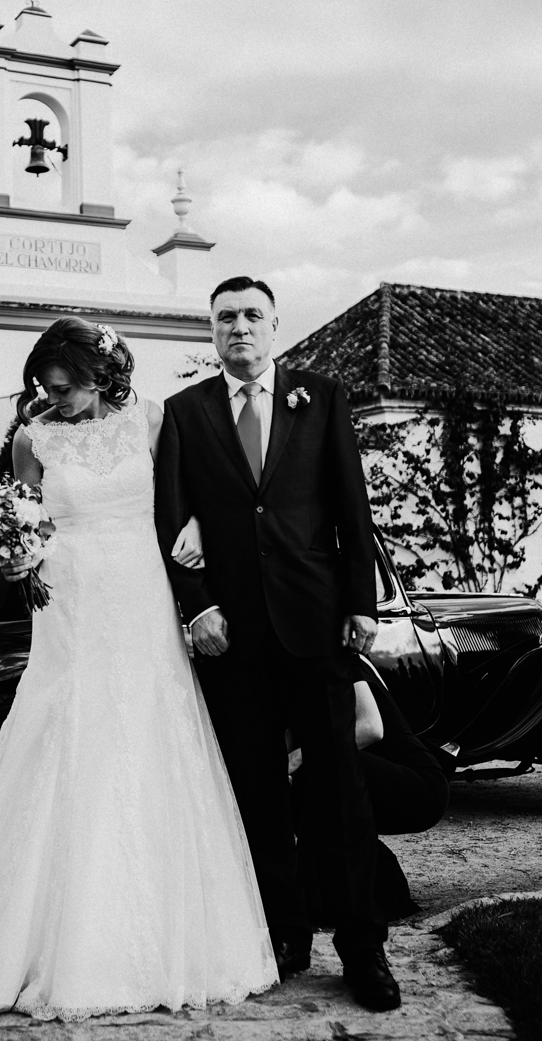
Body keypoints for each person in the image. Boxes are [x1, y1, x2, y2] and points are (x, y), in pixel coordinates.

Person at [0, 318, 278, 1018]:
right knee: (67, 731)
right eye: (45, 388)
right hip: (69, 602)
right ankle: (44, 929)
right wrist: (18, 559)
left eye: (67, 386)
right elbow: (28, 518)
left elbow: (185, 500)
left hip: (140, 593)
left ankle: (157, 932)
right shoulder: (32, 437)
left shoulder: (152, 418)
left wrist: (199, 546)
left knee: (146, 732)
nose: (57, 399)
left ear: (100, 373)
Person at [156, 275, 401, 1012]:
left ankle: (364, 948)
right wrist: (196, 607)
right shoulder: (183, 413)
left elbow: (350, 505)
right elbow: (171, 521)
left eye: (251, 316)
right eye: (225, 317)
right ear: (212, 331)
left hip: (315, 624)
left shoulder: (321, 397)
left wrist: (362, 600)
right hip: (233, 636)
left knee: (340, 793)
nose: (238, 327)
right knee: (257, 793)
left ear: (274, 326)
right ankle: (284, 935)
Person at [294, 660, 449, 925]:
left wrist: (298, 758)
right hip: (376, 779)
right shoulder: (290, 671)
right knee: (303, 782)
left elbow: (371, 728)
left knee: (318, 768)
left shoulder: (338, 658)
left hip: (419, 786)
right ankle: (333, 893)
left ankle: (376, 893)